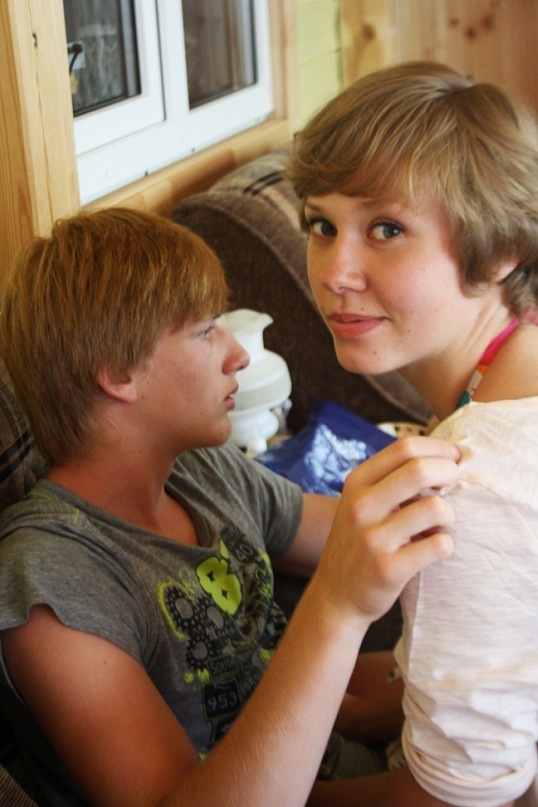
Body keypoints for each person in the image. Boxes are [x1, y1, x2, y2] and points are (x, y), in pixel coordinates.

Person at [0, 207, 459, 806]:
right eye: (206, 330)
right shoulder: (52, 585)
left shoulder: (200, 468)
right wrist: (337, 606)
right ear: (118, 373)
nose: (238, 354)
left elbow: (358, 539)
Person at [286, 60, 538, 806]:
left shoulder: (477, 490)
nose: (336, 271)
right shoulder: (509, 373)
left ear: (500, 247)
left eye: (387, 229)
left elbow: (460, 800)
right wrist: (382, 701)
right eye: (322, 225)